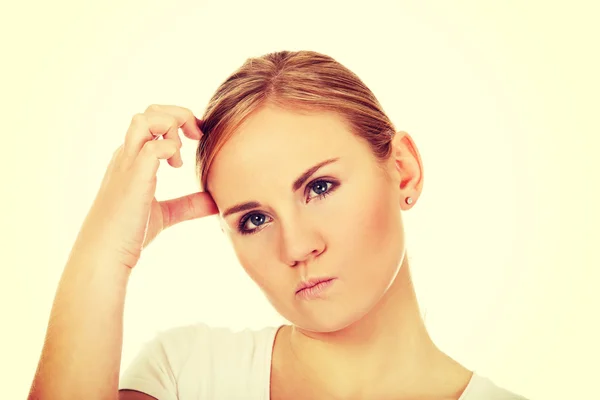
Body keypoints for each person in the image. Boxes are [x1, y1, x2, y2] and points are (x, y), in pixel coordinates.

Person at [28, 50, 528, 400]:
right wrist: (106, 251)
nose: (296, 246)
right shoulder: (187, 377)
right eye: (255, 218)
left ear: (403, 169)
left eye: (321, 187)